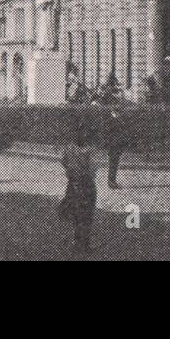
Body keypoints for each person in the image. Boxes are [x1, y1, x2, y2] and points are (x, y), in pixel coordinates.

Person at [58, 117, 98, 255]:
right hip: (86, 186)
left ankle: (77, 242)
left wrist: (71, 171)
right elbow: (93, 170)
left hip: (73, 186)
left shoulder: (68, 148)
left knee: (76, 215)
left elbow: (63, 162)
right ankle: (85, 244)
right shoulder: (90, 151)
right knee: (86, 216)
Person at [104, 107, 127, 189]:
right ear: (112, 112)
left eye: (118, 113)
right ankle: (111, 182)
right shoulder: (110, 122)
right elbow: (107, 135)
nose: (118, 114)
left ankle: (113, 181)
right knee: (112, 164)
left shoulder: (119, 121)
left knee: (115, 164)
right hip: (112, 146)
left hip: (117, 145)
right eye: (116, 113)